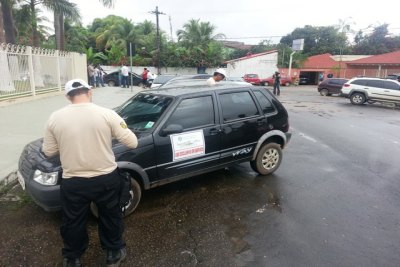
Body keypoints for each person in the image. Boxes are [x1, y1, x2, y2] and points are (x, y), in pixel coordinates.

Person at [42, 79, 138, 267]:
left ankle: (73, 258)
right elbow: (132, 142)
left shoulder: (55, 118)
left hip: (74, 181)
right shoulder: (108, 114)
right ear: (90, 91)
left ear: (67, 96)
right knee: (110, 216)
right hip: (106, 179)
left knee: (73, 220)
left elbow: (49, 151)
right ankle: (113, 254)